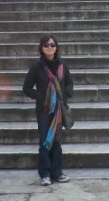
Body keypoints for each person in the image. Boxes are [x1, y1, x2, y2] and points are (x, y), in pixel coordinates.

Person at [23, 34, 74, 187]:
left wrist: (66, 94)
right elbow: (26, 88)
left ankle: (57, 172)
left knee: (56, 139)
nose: (49, 48)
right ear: (41, 48)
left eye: (52, 45)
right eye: (46, 45)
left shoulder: (62, 66)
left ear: (56, 47)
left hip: (58, 109)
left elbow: (69, 84)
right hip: (44, 110)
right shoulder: (36, 67)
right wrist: (41, 96)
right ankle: (45, 174)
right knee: (45, 140)